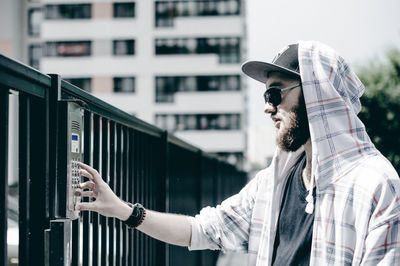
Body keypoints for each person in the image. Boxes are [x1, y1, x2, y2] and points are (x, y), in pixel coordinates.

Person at [76, 40, 400, 265]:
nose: (267, 107)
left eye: (275, 93)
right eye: (265, 95)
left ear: (319, 95)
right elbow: (205, 230)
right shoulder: (276, 181)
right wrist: (122, 210)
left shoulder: (375, 186)